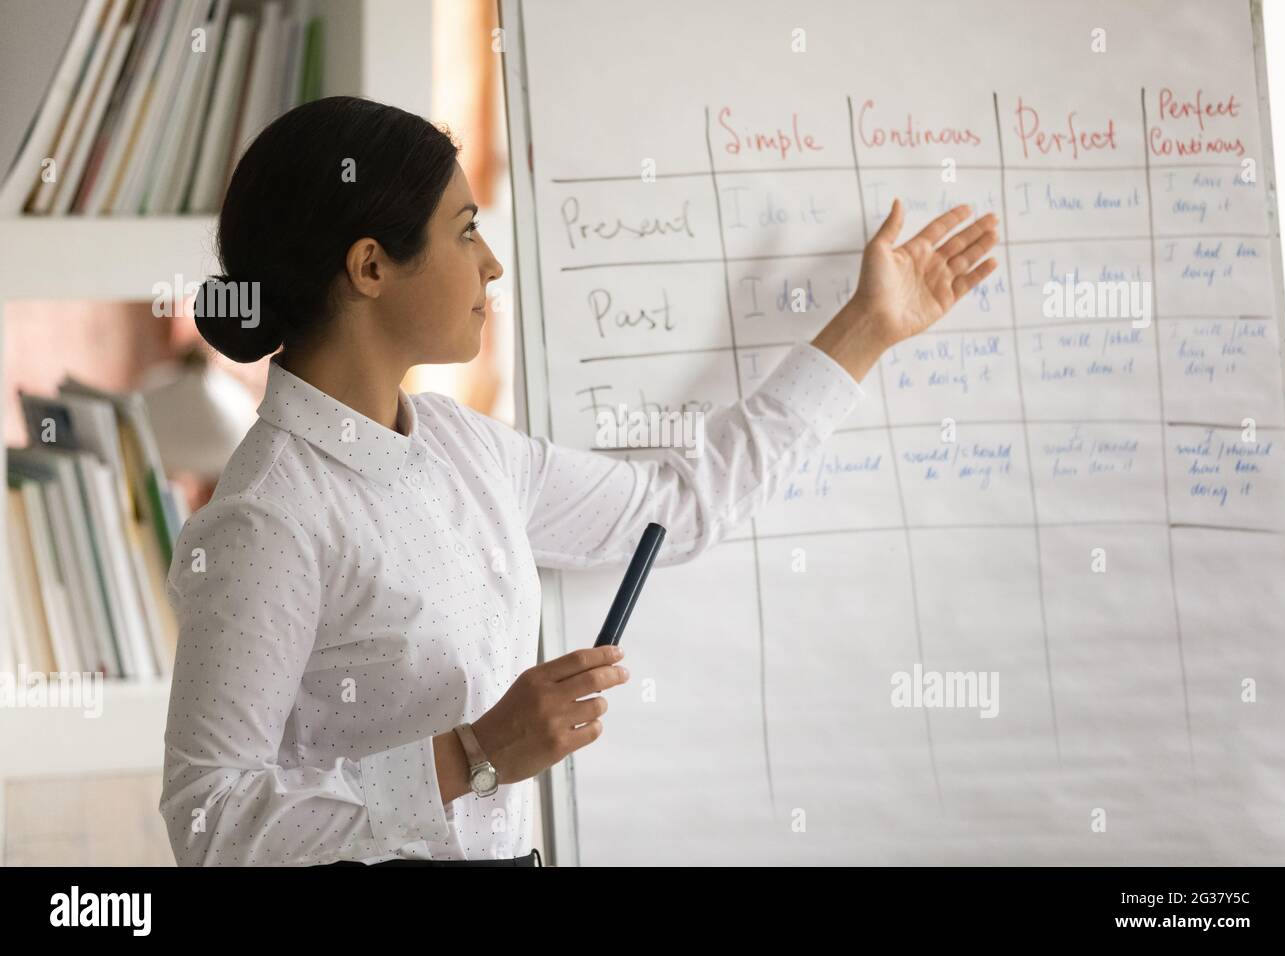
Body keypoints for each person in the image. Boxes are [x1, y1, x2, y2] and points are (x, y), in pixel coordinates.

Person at [156, 96, 998, 867]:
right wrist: (471, 756)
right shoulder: (269, 519)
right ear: (371, 268)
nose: (489, 263)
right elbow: (207, 820)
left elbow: (677, 508)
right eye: (463, 230)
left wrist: (867, 328)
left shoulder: (463, 448)